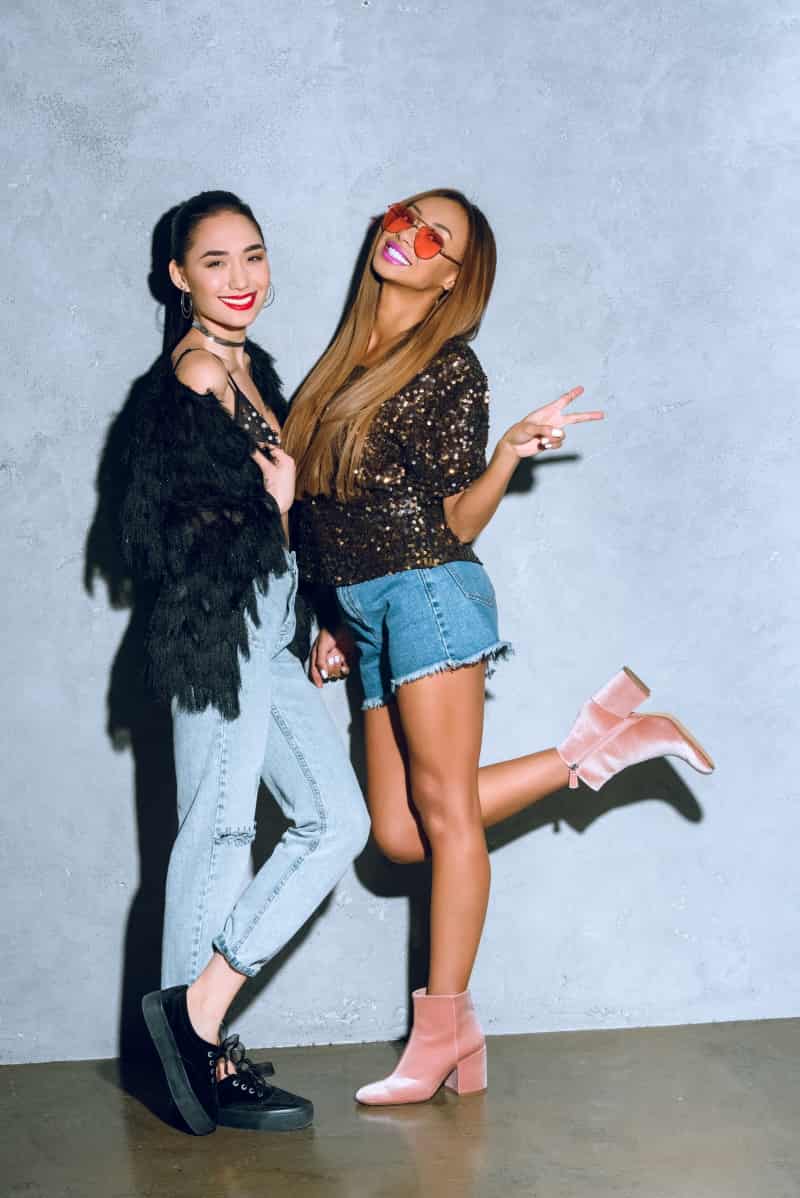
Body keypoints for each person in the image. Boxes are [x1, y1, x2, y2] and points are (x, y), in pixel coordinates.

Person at [283, 189, 714, 1106]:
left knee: (445, 820)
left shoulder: (450, 368)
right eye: (405, 216)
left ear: (452, 279)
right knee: (398, 834)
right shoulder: (339, 361)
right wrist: (329, 617)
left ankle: (439, 1032)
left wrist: (509, 452)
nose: (409, 235)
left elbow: (454, 522)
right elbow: (325, 507)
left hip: (429, 596)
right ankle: (597, 748)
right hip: (367, 613)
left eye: (435, 236)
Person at [120, 191, 370, 1135]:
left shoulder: (247, 366)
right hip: (217, 628)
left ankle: (191, 1026)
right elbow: (168, 531)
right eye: (215, 261)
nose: (240, 279)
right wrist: (275, 506)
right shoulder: (194, 372)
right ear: (179, 277)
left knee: (335, 821)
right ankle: (197, 1052)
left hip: (267, 626)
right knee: (220, 834)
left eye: (253, 256)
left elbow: (275, 511)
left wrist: (319, 612)